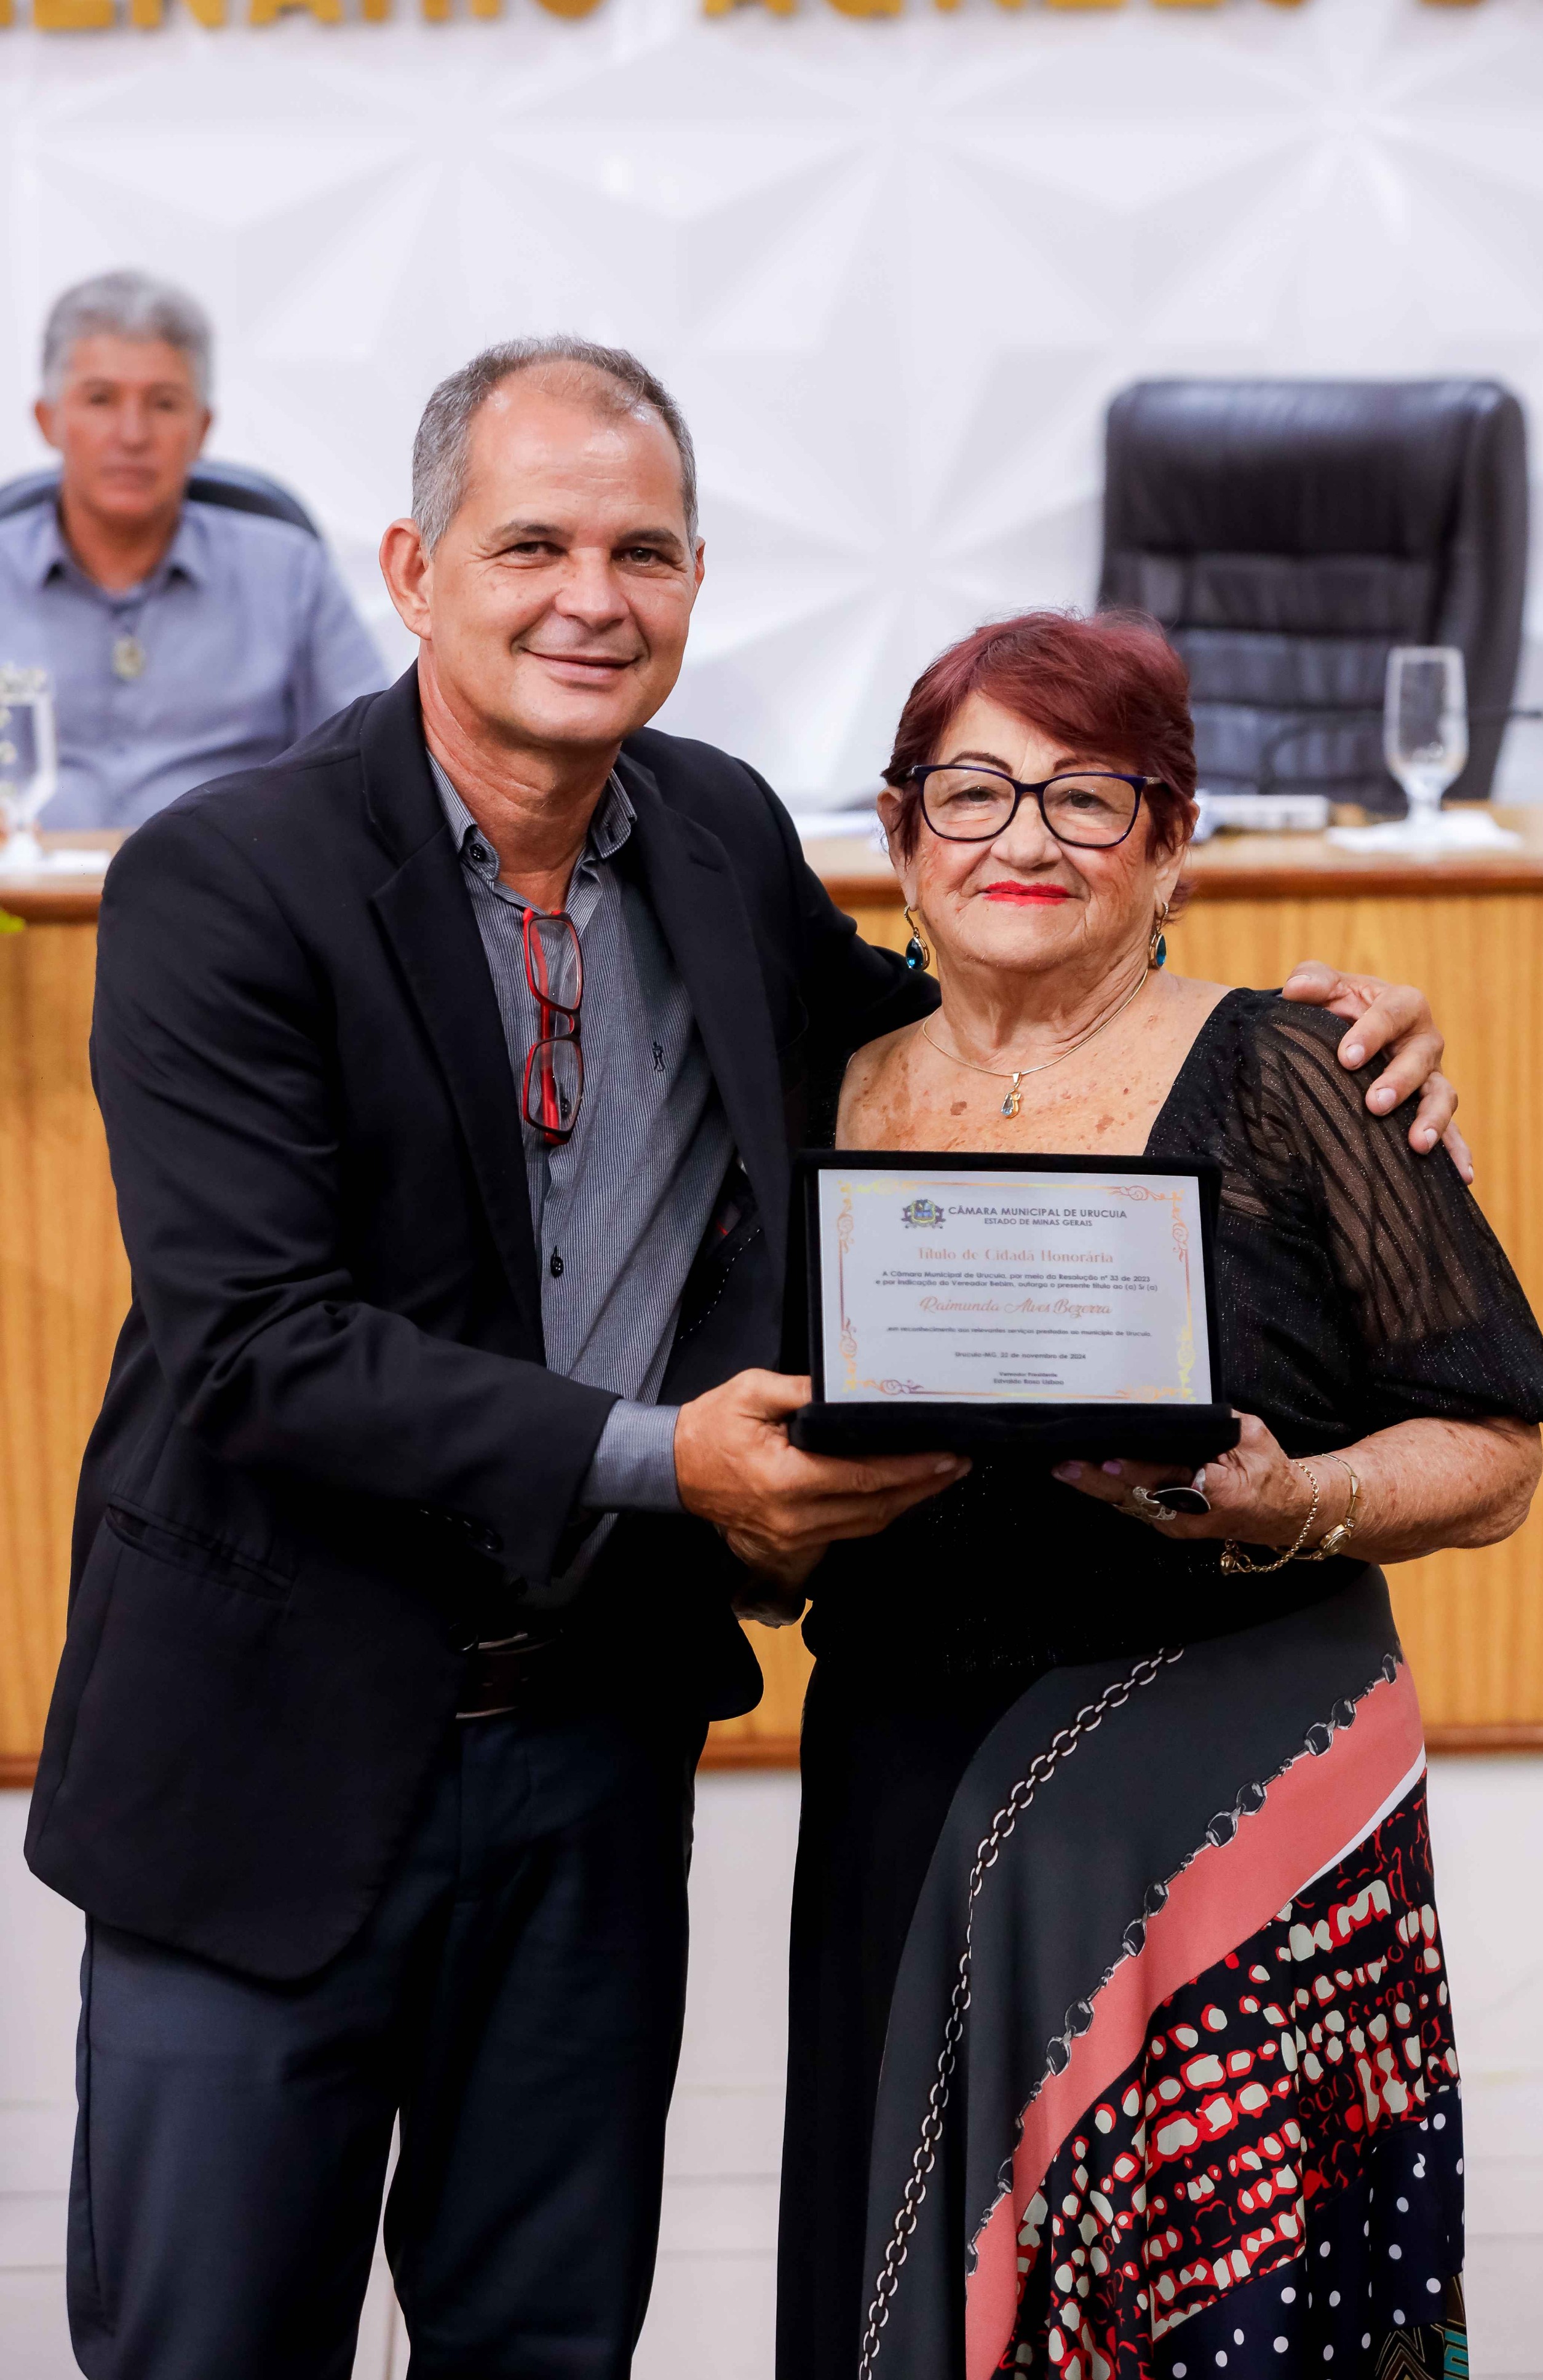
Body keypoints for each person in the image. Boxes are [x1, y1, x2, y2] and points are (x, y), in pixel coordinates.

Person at [28, 336, 1461, 2380]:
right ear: (414, 569)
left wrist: (1289, 1044)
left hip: (590, 1751)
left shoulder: (708, 830)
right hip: (265, 1754)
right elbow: (259, 1346)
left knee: (545, 2340)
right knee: (209, 2345)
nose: (589, 597)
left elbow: (938, 1040)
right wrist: (667, 1459)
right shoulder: (225, 879)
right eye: (531, 544)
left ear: (697, 581)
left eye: (643, 551)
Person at [773, 611, 1543, 2380]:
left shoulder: (1301, 1072)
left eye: (1087, 795)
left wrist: (1297, 1497)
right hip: (906, 1765)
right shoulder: (816, 1087)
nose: (1024, 836)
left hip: (1235, 1789)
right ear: (898, 833)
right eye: (971, 790)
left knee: (1231, 2307)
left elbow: (1493, 1451)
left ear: (1171, 843)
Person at [0, 269, 385, 834]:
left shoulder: (287, 573)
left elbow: (376, 765)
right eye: (100, 399)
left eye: (164, 403)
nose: (132, 434)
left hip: (233, 885)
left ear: (202, 428)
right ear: (47, 420)